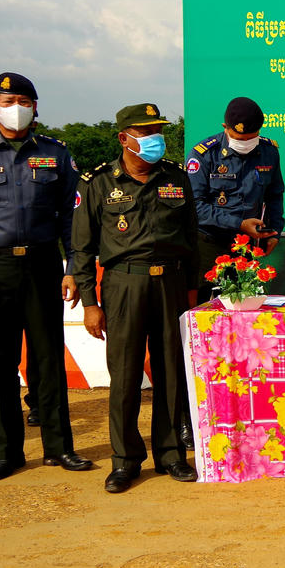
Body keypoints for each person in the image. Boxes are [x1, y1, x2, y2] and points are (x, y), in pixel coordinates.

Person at [0, 72, 93, 480]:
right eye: (8, 101)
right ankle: (8, 452)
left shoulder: (55, 153)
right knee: (0, 359)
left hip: (43, 264)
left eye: (24, 101)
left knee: (49, 357)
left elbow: (72, 218)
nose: (17, 108)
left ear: (35, 107)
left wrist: (72, 268)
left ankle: (59, 448)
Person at [72, 103, 199, 493]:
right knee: (125, 376)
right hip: (123, 284)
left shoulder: (176, 176)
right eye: (145, 132)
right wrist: (90, 302)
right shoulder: (97, 182)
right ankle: (125, 461)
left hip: (171, 283)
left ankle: (171, 454)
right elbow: (82, 247)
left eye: (157, 130)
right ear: (124, 138)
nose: (154, 138)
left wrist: (191, 293)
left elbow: (191, 237)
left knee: (171, 372)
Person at [185, 96, 284, 449]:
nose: (246, 142)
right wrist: (238, 222)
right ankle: (190, 417)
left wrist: (273, 229)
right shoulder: (204, 155)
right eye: (239, 137)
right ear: (225, 128)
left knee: (245, 328)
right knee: (202, 328)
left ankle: (243, 408)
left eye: (251, 136)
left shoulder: (269, 151)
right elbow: (195, 207)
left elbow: (275, 195)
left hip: (247, 245)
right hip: (208, 245)